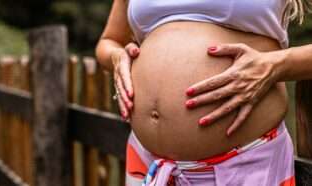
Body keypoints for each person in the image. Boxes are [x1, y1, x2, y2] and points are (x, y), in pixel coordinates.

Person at [96, 0, 311, 185]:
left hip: (244, 165)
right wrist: (116, 57)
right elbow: (109, 41)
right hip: (149, 163)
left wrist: (276, 64)